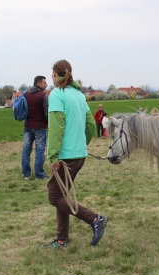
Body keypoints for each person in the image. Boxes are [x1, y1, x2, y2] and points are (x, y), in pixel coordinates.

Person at [45, 59, 107, 249]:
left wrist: (53, 156)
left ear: (55, 74)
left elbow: (56, 127)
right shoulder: (79, 95)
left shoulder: (57, 94)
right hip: (79, 155)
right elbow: (89, 126)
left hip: (65, 157)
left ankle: (95, 219)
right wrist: (82, 144)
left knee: (54, 197)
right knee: (62, 195)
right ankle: (62, 240)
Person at [21, 75, 49, 180]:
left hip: (27, 126)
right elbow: (47, 113)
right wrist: (48, 124)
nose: (46, 84)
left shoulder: (26, 94)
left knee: (26, 150)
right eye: (44, 82)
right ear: (39, 83)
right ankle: (39, 174)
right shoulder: (43, 96)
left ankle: (26, 174)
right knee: (40, 150)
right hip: (40, 127)